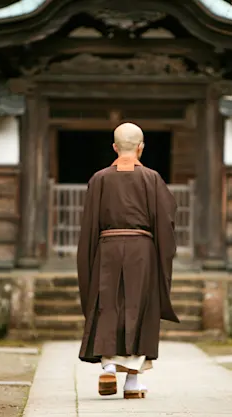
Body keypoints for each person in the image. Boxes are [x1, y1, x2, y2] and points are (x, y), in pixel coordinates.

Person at [76, 122, 179, 400]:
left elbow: (88, 224)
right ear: (141, 147)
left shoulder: (99, 179)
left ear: (114, 147)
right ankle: (133, 384)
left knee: (107, 305)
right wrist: (161, 253)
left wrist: (89, 257)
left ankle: (108, 365)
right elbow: (166, 220)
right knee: (139, 307)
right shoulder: (152, 178)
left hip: (107, 248)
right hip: (141, 251)